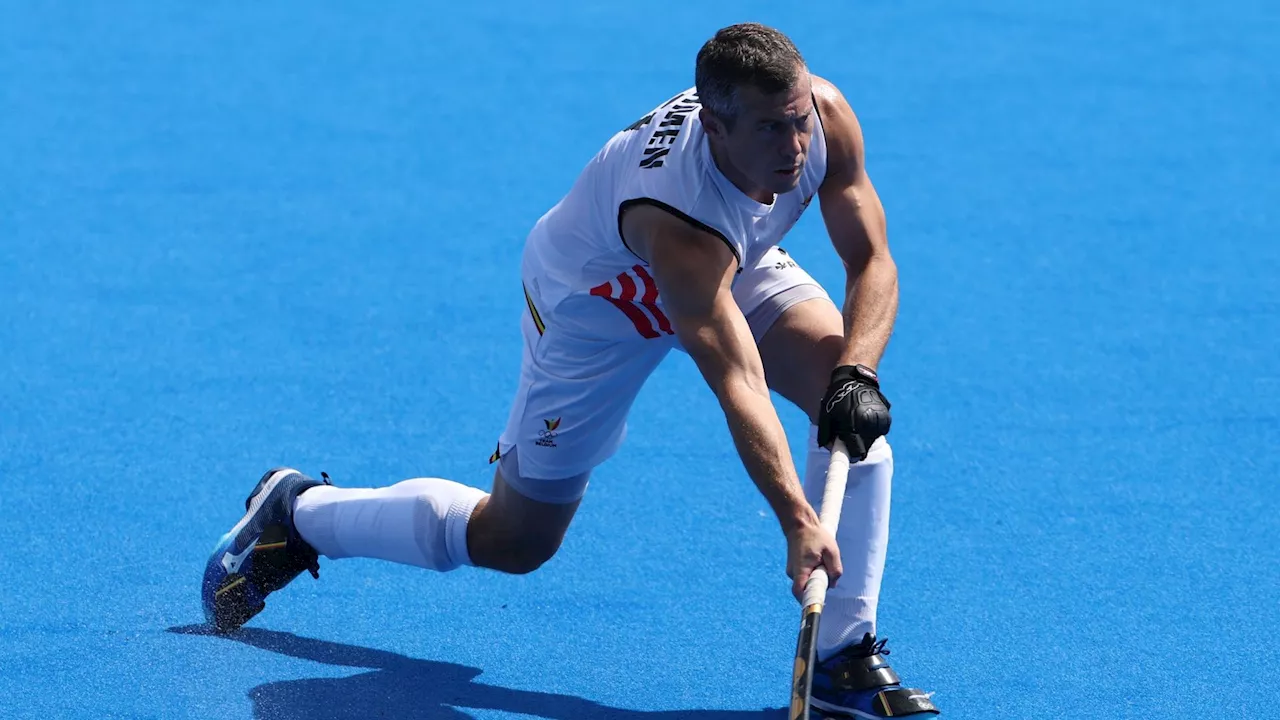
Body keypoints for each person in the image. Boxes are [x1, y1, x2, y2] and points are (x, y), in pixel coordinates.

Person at [201, 22, 938, 718]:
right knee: (516, 541)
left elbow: (872, 259)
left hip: (728, 265)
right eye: (771, 129)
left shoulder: (824, 120)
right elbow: (738, 381)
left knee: (851, 420)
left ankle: (840, 659)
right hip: (600, 304)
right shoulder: (676, 223)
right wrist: (798, 523)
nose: (794, 143)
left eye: (799, 117)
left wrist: (857, 377)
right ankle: (299, 515)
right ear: (714, 128)